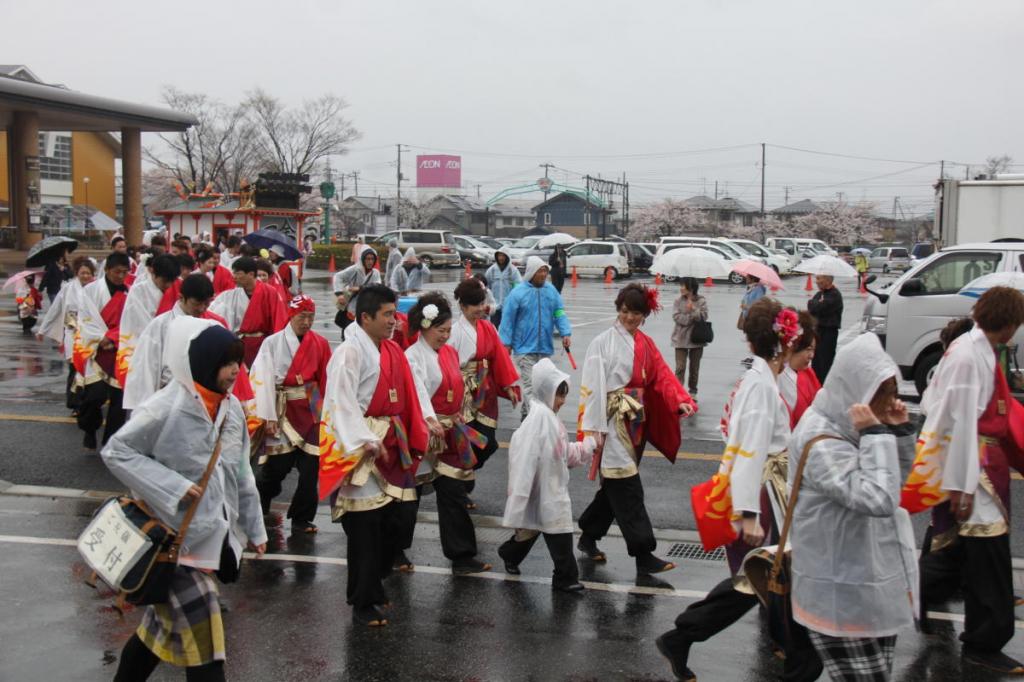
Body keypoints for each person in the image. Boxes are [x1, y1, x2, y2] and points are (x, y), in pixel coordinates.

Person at [104, 317, 267, 682]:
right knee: (207, 650)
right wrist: (173, 486)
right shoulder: (165, 408)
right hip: (170, 543)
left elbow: (242, 474)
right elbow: (117, 451)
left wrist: (254, 529)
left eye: (237, 362)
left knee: (156, 632)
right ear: (204, 364)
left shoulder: (232, 409)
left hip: (207, 539)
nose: (234, 371)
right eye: (226, 363)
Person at [658, 298, 800, 682]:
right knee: (754, 579)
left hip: (765, 490)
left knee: (764, 578)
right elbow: (750, 450)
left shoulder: (763, 379)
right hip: (761, 494)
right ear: (783, 340)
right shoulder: (760, 386)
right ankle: (684, 635)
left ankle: (791, 649)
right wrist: (749, 512)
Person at [905, 286, 1024, 674]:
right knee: (988, 553)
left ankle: (914, 593)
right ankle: (983, 642)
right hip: (973, 462)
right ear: (1009, 324)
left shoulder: (974, 349)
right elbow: (960, 423)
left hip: (975, 458)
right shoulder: (970, 356)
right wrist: (961, 484)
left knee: (958, 552)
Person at [789, 332, 918, 682]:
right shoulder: (821, 440)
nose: (886, 405)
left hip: (868, 581)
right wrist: (877, 434)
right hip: (839, 591)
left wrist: (897, 433)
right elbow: (878, 498)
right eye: (880, 397)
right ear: (857, 390)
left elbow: (895, 484)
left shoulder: (850, 425)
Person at [318, 284, 429, 627]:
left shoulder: (392, 350)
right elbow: (339, 401)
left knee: (398, 519)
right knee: (365, 528)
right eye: (386, 315)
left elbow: (412, 389)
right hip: (362, 447)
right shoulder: (348, 353)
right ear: (364, 317)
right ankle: (363, 600)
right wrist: (363, 438)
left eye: (394, 314)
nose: (394, 321)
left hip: (391, 443)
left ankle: (375, 584)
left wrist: (425, 421)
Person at [577, 283, 696, 576]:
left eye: (636, 313)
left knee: (616, 484)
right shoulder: (602, 343)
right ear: (618, 309)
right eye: (625, 311)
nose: (630, 317)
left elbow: (662, 375)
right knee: (627, 486)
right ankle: (643, 553)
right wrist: (593, 430)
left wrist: (680, 400)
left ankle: (588, 534)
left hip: (635, 420)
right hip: (611, 419)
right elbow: (592, 389)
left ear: (645, 315)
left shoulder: (645, 343)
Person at [404, 293, 492, 574]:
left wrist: (459, 413)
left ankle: (462, 556)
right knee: (409, 497)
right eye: (440, 331)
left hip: (450, 433)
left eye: (448, 330)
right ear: (424, 327)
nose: (445, 336)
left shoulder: (450, 353)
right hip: (424, 432)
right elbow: (416, 393)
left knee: (454, 492)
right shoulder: (412, 356)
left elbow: (457, 386)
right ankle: (394, 550)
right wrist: (430, 420)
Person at [500, 358, 596, 592]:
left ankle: (510, 553)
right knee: (558, 529)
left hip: (548, 485)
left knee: (535, 528)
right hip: (543, 487)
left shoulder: (547, 417)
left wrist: (587, 447)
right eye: (559, 395)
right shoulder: (540, 419)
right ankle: (565, 577)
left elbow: (561, 453)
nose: (563, 401)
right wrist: (520, 494)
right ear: (547, 391)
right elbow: (525, 459)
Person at [249, 294, 331, 535]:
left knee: (311, 468)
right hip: (282, 405)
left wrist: (328, 415)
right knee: (277, 467)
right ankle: (261, 500)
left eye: (311, 317)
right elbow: (261, 379)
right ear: (291, 315)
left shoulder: (320, 343)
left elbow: (326, 380)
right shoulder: (272, 343)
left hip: (312, 403)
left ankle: (302, 517)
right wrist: (268, 416)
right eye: (302, 317)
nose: (306, 322)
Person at [449, 279, 521, 506]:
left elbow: (499, 357)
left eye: (482, 303)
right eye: (475, 305)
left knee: (488, 442)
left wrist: (508, 385)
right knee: (465, 442)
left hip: (484, 390)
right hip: (462, 391)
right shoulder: (454, 332)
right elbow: (447, 365)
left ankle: (465, 474)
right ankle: (461, 489)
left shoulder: (488, 328)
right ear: (463, 306)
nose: (481, 308)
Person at [123, 274, 229, 410]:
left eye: (207, 304)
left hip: (202, 399)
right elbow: (147, 367)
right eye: (197, 303)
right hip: (167, 396)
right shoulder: (160, 325)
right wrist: (145, 407)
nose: (202, 308)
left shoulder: (211, 325)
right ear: (181, 297)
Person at [498, 257, 572, 420]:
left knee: (541, 386)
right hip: (524, 348)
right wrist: (506, 343)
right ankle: (532, 418)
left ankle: (530, 416)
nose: (544, 274)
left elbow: (559, 312)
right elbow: (508, 319)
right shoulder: (518, 293)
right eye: (540, 271)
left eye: (545, 271)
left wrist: (565, 332)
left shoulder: (551, 291)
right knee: (530, 386)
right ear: (532, 272)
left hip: (544, 348)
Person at [74, 252, 133, 449]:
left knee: (119, 400)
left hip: (119, 349)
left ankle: (111, 442)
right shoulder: (91, 290)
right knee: (95, 396)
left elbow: (132, 322)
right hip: (96, 350)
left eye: (124, 272)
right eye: (117, 272)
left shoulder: (130, 293)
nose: (121, 276)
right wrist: (101, 339)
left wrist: (113, 338)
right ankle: (89, 428)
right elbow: (84, 319)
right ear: (107, 270)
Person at [36, 256, 95, 409]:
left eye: (88, 273)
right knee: (74, 367)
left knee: (88, 368)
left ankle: (86, 401)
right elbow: (55, 308)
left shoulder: (96, 289)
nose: (85, 276)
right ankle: (74, 401)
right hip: (72, 332)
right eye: (82, 273)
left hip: (90, 334)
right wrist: (42, 329)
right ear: (76, 273)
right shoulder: (68, 288)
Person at [208, 256, 288, 367]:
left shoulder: (270, 292)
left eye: (238, 273)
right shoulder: (231, 295)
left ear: (251, 274)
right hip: (239, 344)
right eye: (234, 273)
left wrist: (277, 347)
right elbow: (212, 312)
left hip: (262, 345)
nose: (234, 277)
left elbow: (278, 321)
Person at [114, 255, 180, 389]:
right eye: (165, 281)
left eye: (171, 281)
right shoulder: (138, 292)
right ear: (153, 272)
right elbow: (139, 325)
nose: (168, 285)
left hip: (170, 347)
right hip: (144, 346)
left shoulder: (177, 289)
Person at [778, 311, 820, 428]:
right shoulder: (777, 376)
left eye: (813, 350)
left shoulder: (808, 372)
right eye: (808, 349)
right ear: (794, 347)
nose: (812, 355)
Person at [671, 277, 709, 397]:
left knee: (694, 368)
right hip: (680, 338)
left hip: (696, 338)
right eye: (681, 285)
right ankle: (678, 393)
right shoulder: (678, 301)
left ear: (691, 288)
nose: (681, 288)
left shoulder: (701, 300)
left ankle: (693, 391)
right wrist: (690, 318)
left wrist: (693, 309)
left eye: (683, 286)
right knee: (680, 367)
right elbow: (676, 317)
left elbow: (703, 317)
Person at [333, 247, 381, 333]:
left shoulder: (375, 273)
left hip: (367, 308)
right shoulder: (355, 269)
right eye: (368, 259)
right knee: (348, 334)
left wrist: (360, 288)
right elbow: (338, 276)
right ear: (363, 259)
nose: (370, 262)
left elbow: (377, 287)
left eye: (372, 259)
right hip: (352, 308)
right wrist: (339, 294)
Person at [808, 274, 843, 382]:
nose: (816, 281)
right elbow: (810, 306)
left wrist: (817, 304)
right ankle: (815, 385)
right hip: (817, 331)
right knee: (815, 361)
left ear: (827, 280)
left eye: (819, 278)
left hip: (828, 332)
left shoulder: (835, 294)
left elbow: (821, 307)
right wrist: (816, 304)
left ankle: (825, 385)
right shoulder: (819, 294)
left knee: (825, 362)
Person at [484, 246, 522, 330]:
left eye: (503, 256)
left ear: (507, 257)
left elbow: (518, 287)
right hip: (495, 307)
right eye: (499, 255)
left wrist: (515, 302)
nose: (501, 258)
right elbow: (486, 287)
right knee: (494, 329)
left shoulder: (513, 271)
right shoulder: (491, 270)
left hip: (508, 307)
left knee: (507, 329)